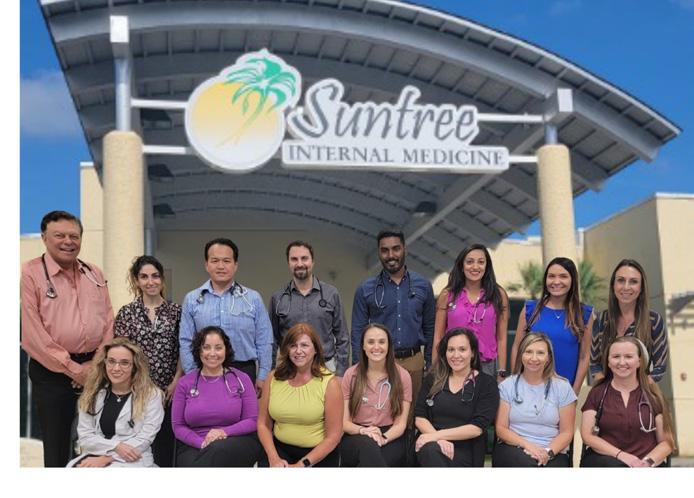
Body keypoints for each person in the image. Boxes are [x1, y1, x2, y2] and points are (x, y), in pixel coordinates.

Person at [21, 210, 114, 467]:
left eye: (74, 236)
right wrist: (74, 370)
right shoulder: (31, 273)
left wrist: (95, 365)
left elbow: (108, 320)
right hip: (52, 373)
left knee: (101, 442)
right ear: (44, 238)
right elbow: (33, 334)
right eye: (59, 235)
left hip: (95, 369)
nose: (68, 241)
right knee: (58, 445)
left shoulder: (93, 273)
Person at [352, 229, 435, 424]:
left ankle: (410, 445)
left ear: (405, 249)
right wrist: (359, 366)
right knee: (380, 414)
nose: (391, 255)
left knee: (412, 417)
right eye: (385, 250)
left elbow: (430, 327)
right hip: (379, 362)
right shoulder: (366, 289)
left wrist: (429, 363)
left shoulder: (423, 285)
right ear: (379, 252)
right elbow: (357, 331)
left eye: (396, 249)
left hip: (414, 361)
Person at [180, 238, 273, 394]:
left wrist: (263, 376)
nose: (221, 266)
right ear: (206, 264)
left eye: (226, 261)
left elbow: (264, 340)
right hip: (204, 371)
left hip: (244, 370)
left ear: (235, 265)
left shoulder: (253, 299)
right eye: (215, 261)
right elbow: (185, 341)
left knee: (245, 411)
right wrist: (192, 374)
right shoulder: (192, 299)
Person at [114, 255, 182, 467]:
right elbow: (121, 353)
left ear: (162, 279)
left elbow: (184, 349)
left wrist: (176, 380)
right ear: (136, 281)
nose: (150, 281)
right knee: (138, 449)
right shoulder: (126, 313)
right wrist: (135, 385)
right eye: (144, 277)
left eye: (155, 276)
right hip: (137, 391)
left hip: (169, 391)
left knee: (166, 448)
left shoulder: (177, 312)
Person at [67, 337, 164, 468]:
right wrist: (116, 446)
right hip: (96, 454)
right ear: (104, 363)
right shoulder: (93, 394)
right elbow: (85, 437)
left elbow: (144, 439)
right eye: (111, 361)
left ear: (134, 366)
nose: (116, 368)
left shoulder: (152, 395)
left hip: (134, 459)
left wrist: (108, 458)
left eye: (124, 363)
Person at [172, 326, 262, 467]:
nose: (212, 353)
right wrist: (202, 443)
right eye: (206, 347)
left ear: (226, 350)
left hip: (235, 441)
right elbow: (178, 426)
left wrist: (223, 432)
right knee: (200, 460)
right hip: (195, 444)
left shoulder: (241, 379)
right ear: (199, 351)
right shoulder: (185, 383)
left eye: (218, 348)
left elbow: (252, 420)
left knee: (217, 450)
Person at [580, 336, 675, 467]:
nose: (622, 362)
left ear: (639, 361)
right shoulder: (597, 393)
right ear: (608, 362)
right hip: (607, 462)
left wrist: (647, 463)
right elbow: (588, 436)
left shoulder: (653, 396)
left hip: (645, 464)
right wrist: (622, 456)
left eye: (629, 357)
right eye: (616, 356)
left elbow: (667, 442)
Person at [257, 323, 343, 467]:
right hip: (279, 450)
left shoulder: (330, 383)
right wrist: (273, 458)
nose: (298, 351)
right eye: (293, 346)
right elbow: (263, 424)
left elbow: (333, 437)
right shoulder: (273, 377)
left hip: (318, 455)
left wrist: (301, 465)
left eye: (304, 345)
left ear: (315, 350)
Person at [414, 328, 499, 467]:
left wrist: (437, 436)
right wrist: (438, 439)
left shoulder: (486, 384)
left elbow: (477, 427)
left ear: (473, 352)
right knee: (430, 450)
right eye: (451, 350)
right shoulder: (433, 379)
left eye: (462, 349)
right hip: (430, 443)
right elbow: (419, 417)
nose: (456, 355)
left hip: (466, 449)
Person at [511, 257, 594, 394]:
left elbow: (584, 357)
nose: (556, 281)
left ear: (572, 280)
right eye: (551, 276)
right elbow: (517, 347)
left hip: (564, 392)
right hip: (529, 389)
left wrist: (574, 393)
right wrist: (516, 383)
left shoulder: (584, 314)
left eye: (563, 276)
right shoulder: (530, 309)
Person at [493, 333, 576, 467]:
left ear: (548, 358)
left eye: (540, 353)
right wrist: (529, 446)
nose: (534, 358)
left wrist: (547, 452)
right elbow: (501, 429)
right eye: (529, 352)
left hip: (552, 451)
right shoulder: (507, 386)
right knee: (528, 466)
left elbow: (566, 432)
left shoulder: (563, 387)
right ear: (521, 355)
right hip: (515, 447)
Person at [270, 241, 349, 376]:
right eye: (294, 259)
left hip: (326, 367)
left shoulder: (331, 294)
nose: (300, 264)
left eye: (304, 258)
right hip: (290, 369)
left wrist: (341, 373)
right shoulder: (278, 298)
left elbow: (342, 337)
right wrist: (270, 371)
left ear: (312, 262)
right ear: (288, 263)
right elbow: (272, 340)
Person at [432, 244, 509, 380]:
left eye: (481, 262)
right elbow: (438, 336)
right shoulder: (447, 295)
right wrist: (435, 371)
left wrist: (501, 372)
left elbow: (501, 338)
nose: (475, 267)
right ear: (462, 266)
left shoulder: (498, 295)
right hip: (453, 364)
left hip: (486, 367)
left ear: (487, 266)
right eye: (470, 262)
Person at [340, 324, 412, 467]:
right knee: (368, 449)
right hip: (357, 432)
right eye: (371, 342)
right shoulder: (351, 375)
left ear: (389, 346)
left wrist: (383, 438)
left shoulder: (402, 376)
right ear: (363, 346)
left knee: (378, 459)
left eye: (382, 342)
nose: (376, 347)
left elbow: (400, 424)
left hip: (390, 434)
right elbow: (344, 423)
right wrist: (363, 431)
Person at [590, 259, 668, 383]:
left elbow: (659, 368)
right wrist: (608, 389)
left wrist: (636, 390)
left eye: (633, 281)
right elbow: (595, 365)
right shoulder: (600, 320)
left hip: (642, 391)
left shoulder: (653, 320)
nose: (626, 287)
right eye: (621, 280)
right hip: (608, 391)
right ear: (613, 285)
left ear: (641, 288)